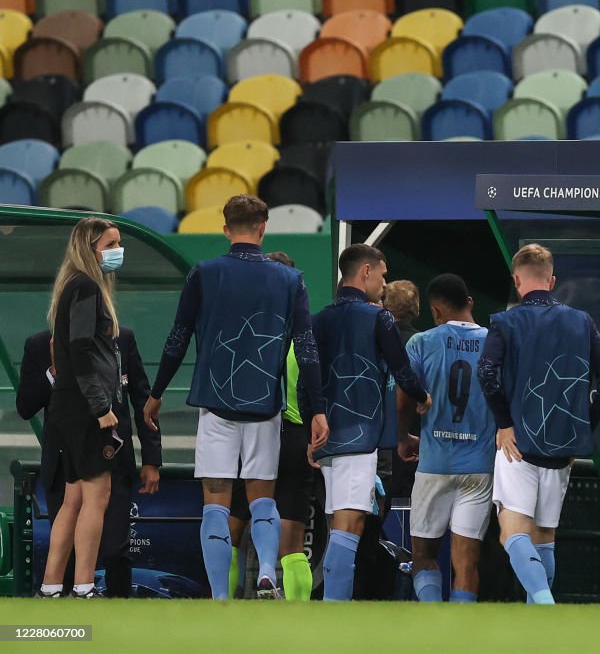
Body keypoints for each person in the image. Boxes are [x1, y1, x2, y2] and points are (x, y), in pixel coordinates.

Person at [143, 195, 329, 600]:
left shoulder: (203, 273)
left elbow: (177, 339)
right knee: (262, 497)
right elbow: (308, 347)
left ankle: (220, 596)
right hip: (265, 408)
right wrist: (317, 410)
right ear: (263, 228)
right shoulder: (291, 280)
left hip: (216, 405)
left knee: (216, 502)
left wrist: (157, 393)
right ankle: (265, 572)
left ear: (225, 229)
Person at [477, 244, 600, 605]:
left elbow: (487, 371)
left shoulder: (504, 321)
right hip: (563, 446)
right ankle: (538, 621)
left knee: (511, 534)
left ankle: (544, 606)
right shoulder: (581, 321)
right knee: (543, 536)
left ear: (516, 280)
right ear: (552, 280)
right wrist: (582, 428)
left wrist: (504, 422)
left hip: (517, 444)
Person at [308, 244, 431, 602]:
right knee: (351, 526)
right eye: (383, 272)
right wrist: (422, 396)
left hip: (327, 439)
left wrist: (311, 434)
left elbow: (306, 380)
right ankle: (336, 612)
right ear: (365, 272)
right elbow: (402, 369)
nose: (385, 281)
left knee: (338, 525)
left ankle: (334, 608)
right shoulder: (379, 318)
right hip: (360, 437)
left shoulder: (319, 319)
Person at [19, 325, 161, 598]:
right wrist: (55, 374)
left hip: (114, 457)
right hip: (64, 460)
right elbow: (25, 406)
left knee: (115, 550)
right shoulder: (38, 344)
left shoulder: (123, 339)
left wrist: (152, 458)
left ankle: (104, 608)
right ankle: (67, 601)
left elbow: (143, 398)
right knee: (70, 546)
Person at [36, 217, 132, 598]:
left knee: (74, 497)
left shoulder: (73, 287)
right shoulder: (86, 286)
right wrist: (100, 407)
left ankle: (50, 587)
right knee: (98, 495)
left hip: (67, 406)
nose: (117, 252)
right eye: (110, 245)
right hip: (84, 409)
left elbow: (68, 348)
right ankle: (84, 585)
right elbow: (79, 349)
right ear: (90, 248)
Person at [397, 274, 495, 603]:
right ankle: (461, 637)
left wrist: (403, 437)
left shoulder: (422, 342)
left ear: (436, 312)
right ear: (470, 303)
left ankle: (433, 625)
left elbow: (403, 394)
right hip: (479, 466)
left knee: (423, 555)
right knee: (466, 563)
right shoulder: (494, 341)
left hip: (435, 462)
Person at [225, 252, 316, 601]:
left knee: (232, 528)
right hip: (294, 437)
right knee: (292, 542)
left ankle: (222, 605)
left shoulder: (247, 334)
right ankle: (299, 620)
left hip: (252, 433)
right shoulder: (306, 336)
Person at [383, 280, 421, 502]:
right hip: (415, 436)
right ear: (416, 307)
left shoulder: (373, 339)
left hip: (382, 437)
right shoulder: (425, 343)